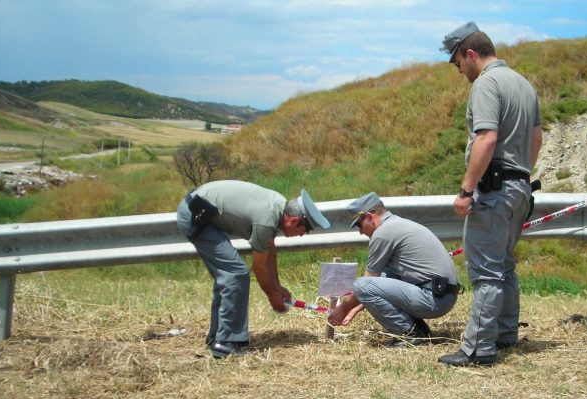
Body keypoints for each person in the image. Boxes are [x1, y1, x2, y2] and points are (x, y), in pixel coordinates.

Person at [437, 22, 543, 367]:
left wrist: (466, 190)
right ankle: (505, 334)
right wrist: (522, 175)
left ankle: (478, 349)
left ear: (470, 54)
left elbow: (486, 138)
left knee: (485, 272)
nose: (459, 71)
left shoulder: (486, 84)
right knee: (505, 267)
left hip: (495, 190)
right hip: (520, 187)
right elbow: (536, 139)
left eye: (457, 64)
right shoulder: (524, 85)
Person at [176, 180, 331, 358]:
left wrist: (277, 287)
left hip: (200, 208)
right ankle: (226, 342)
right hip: (195, 216)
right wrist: (273, 297)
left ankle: (218, 336)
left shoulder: (278, 207)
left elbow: (268, 248)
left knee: (229, 275)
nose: (303, 235)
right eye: (305, 230)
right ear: (294, 220)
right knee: (235, 274)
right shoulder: (267, 220)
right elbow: (259, 267)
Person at [327, 192, 459, 347]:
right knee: (385, 275)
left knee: (361, 284)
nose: (360, 232)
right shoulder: (398, 224)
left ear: (370, 217)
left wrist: (343, 309)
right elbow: (378, 285)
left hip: (433, 298)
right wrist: (356, 307)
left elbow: (367, 284)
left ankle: (409, 335)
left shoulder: (383, 233)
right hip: (442, 295)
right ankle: (420, 331)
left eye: (359, 225)